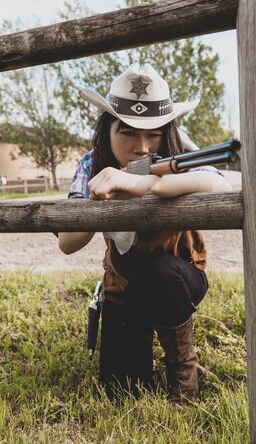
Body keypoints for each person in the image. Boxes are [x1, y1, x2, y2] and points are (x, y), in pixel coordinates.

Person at [58, 63, 232, 405]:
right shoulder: (91, 164)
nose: (141, 147)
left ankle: (184, 377)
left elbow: (219, 184)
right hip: (123, 285)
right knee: (121, 386)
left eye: (152, 134)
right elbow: (67, 243)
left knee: (161, 271)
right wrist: (100, 201)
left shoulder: (178, 149)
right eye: (127, 132)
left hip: (179, 276)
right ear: (107, 129)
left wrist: (144, 183)